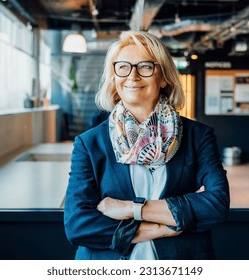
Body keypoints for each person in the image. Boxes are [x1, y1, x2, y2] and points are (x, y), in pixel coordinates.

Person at [64, 30, 230, 260]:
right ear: (114, 77)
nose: (133, 76)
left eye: (145, 66)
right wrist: (156, 229)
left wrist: (132, 209)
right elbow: (77, 224)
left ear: (163, 77)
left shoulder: (197, 136)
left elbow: (217, 204)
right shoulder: (89, 142)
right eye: (123, 67)